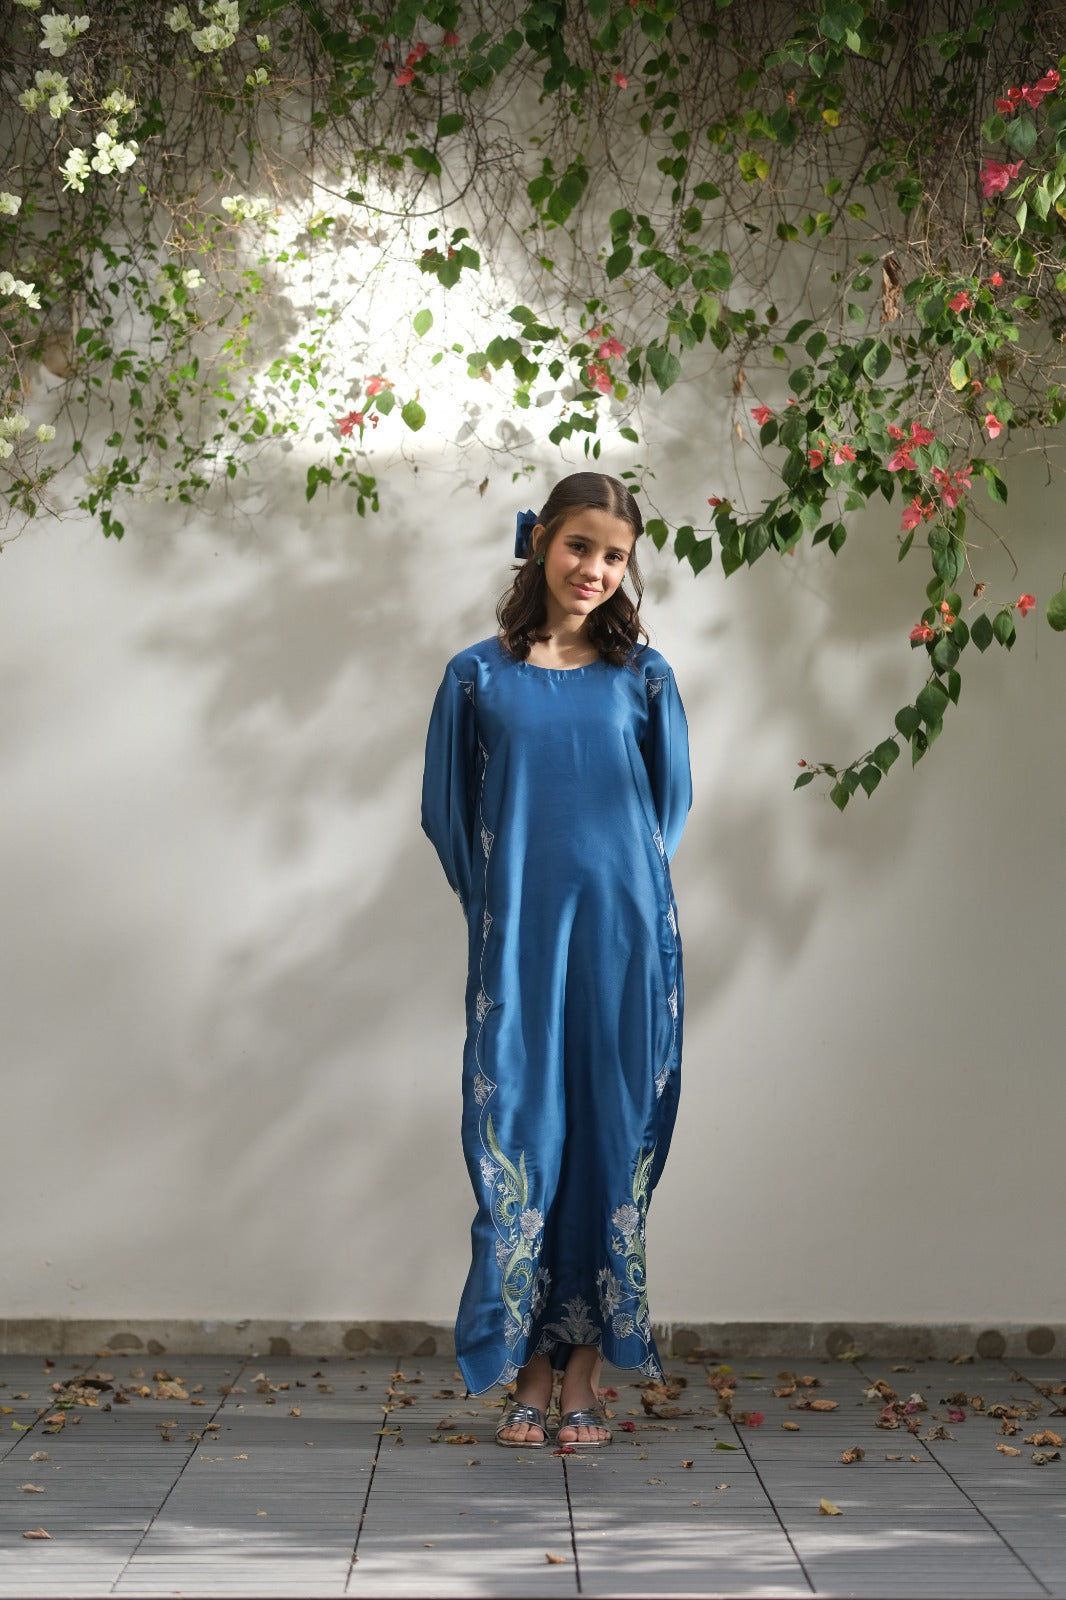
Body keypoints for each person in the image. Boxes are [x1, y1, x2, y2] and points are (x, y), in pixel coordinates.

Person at [421, 470, 691, 1448]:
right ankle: (524, 1371)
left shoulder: (644, 678)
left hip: (625, 946)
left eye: (615, 556)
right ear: (540, 542)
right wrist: (503, 907)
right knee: (521, 1134)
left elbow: (667, 808)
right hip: (521, 944)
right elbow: (445, 814)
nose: (594, 569)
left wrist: (621, 901)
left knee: (610, 1140)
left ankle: (580, 1377)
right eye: (581, 545)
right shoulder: (476, 677)